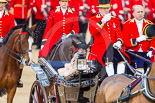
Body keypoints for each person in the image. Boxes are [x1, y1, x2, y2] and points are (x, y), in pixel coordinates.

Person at [89, 0, 125, 76]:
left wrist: (119, 42)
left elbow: (119, 34)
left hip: (114, 46)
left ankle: (120, 78)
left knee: (122, 59)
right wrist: (102, 21)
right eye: (103, 8)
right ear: (99, 9)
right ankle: (111, 79)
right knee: (109, 58)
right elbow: (93, 31)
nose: (106, 10)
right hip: (101, 48)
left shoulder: (114, 19)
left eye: (107, 8)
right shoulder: (93, 19)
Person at [122, 5, 155, 74]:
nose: (140, 14)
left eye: (142, 12)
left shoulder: (150, 24)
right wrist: (136, 40)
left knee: (150, 72)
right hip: (133, 53)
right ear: (133, 13)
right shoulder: (127, 24)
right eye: (138, 12)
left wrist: (151, 50)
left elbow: (153, 40)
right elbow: (125, 42)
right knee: (139, 73)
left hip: (146, 53)